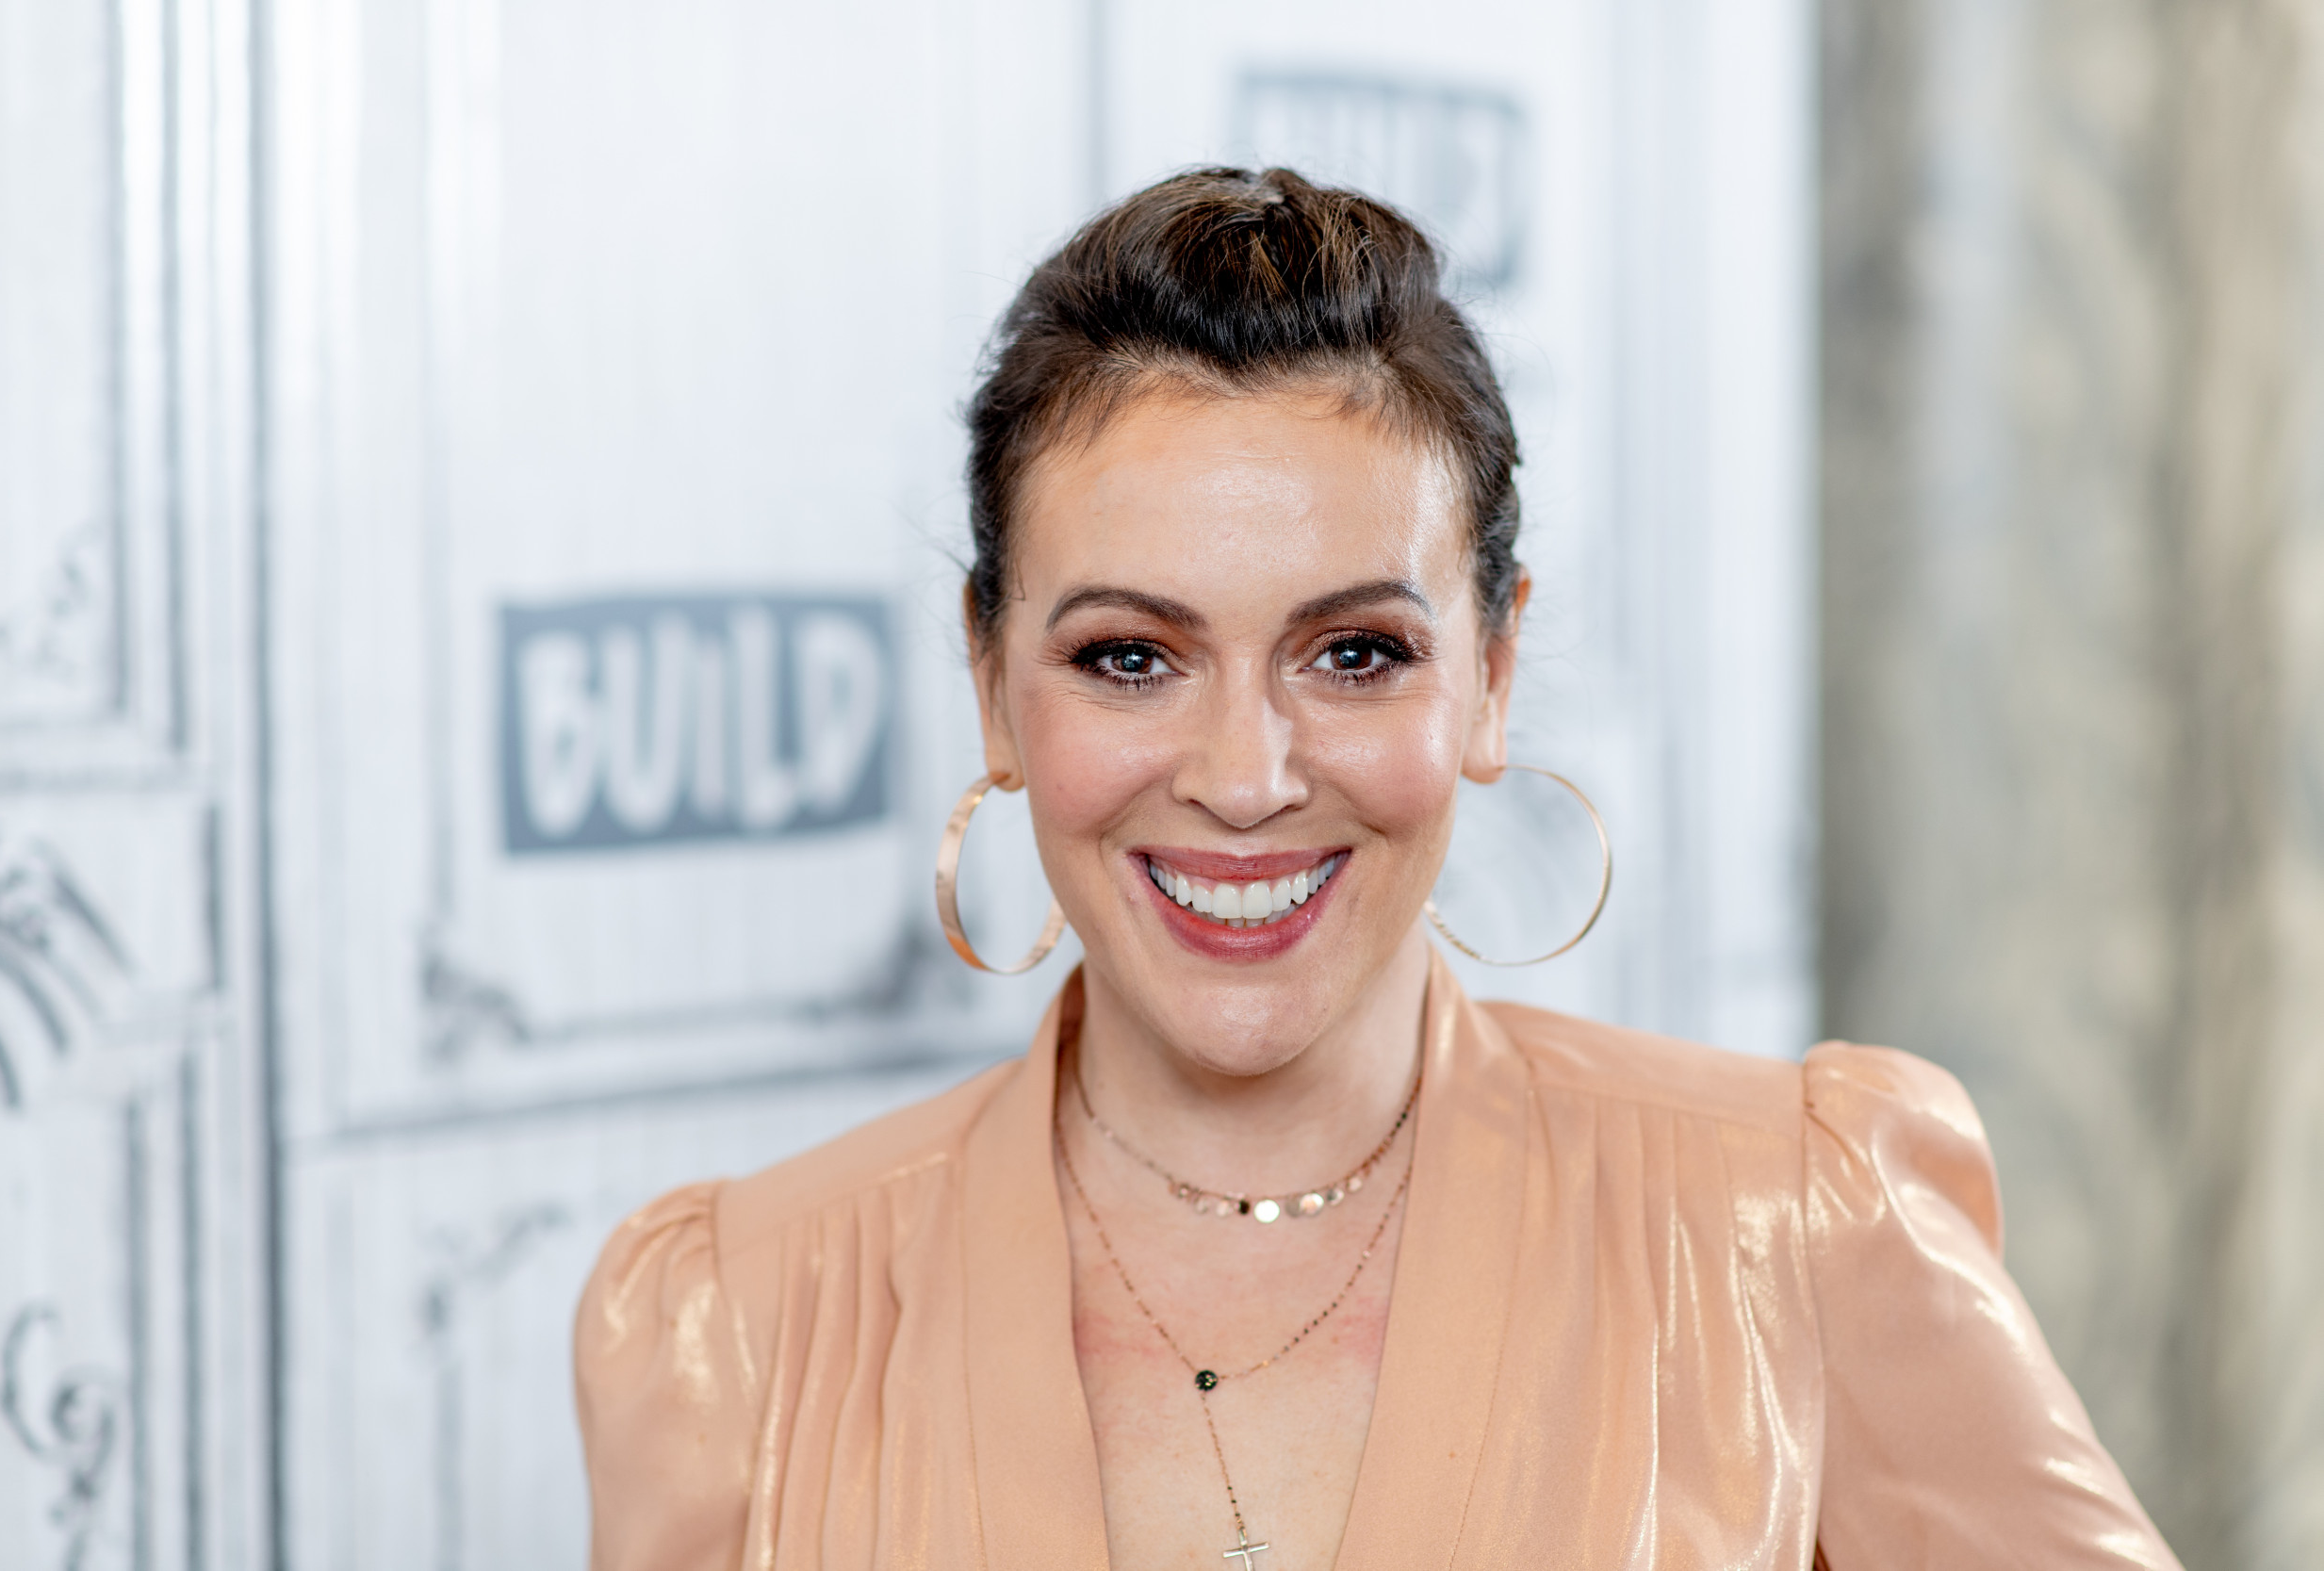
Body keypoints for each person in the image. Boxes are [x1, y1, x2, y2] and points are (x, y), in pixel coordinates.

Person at [574, 168, 2179, 1570]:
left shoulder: (1798, 1229)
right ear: (993, 686)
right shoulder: (741, 1322)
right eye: (1131, 658)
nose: (1249, 779)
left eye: (1353, 652)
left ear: (1491, 672)